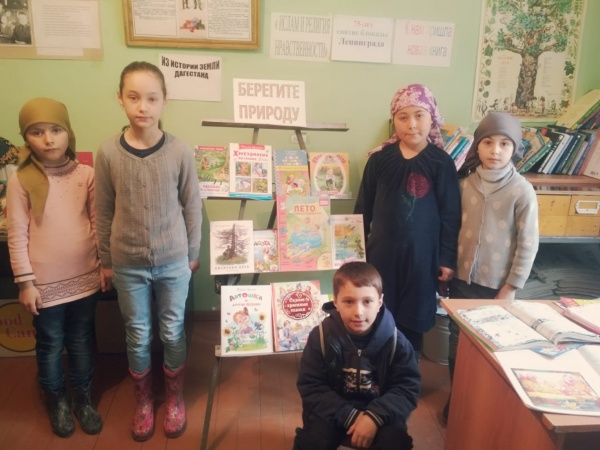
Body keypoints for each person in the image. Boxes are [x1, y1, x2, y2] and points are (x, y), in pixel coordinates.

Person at [95, 61, 202, 441]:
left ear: (164, 101)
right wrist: (106, 261)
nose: (143, 106)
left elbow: (192, 205)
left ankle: (174, 398)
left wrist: (192, 253)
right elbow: (103, 209)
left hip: (174, 260)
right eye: (134, 97)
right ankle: (143, 401)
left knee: (172, 330)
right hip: (127, 263)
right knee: (137, 333)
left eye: (152, 98)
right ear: (120, 99)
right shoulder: (108, 152)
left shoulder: (179, 150)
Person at [6, 98, 103, 438]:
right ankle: (57, 401)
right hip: (43, 283)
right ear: (26, 137)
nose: (48, 139)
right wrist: (25, 283)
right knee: (50, 343)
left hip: (85, 277)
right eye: (37, 132)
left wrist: (103, 266)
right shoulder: (21, 180)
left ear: (68, 133)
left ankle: (83, 398)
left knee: (81, 339)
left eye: (56, 130)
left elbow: (97, 223)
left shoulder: (86, 175)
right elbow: (17, 234)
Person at [442, 111, 539, 422]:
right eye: (488, 142)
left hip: (497, 286)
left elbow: (528, 243)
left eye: (504, 144)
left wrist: (511, 287)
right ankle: (458, 398)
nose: (495, 150)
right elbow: (450, 229)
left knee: (490, 344)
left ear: (515, 149)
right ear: (477, 146)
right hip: (461, 281)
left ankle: (482, 404)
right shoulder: (462, 185)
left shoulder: (521, 190)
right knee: (457, 341)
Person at [354, 84, 461, 359]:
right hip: (381, 257)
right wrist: (355, 253)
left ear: (432, 118)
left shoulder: (441, 162)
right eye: (403, 117)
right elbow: (363, 208)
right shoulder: (379, 160)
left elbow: (451, 214)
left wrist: (447, 259)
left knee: (414, 317)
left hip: (422, 260)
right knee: (378, 312)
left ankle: (406, 371)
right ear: (394, 121)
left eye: (419, 116)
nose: (411, 124)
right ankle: (377, 369)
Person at [294, 262, 420, 450]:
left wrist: (373, 417)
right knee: (312, 442)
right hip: (333, 411)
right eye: (349, 301)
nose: (358, 312)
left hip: (381, 415)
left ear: (380, 302)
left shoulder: (397, 343)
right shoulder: (320, 337)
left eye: (367, 301)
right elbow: (311, 385)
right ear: (336, 301)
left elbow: (407, 388)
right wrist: (349, 415)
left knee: (395, 443)